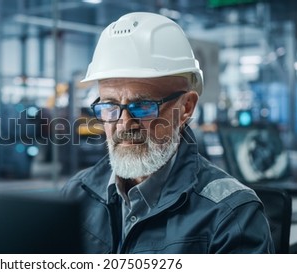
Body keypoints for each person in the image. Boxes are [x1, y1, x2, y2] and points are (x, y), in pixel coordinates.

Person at [61, 12, 274, 254]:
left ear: (186, 108)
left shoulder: (231, 216)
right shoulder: (76, 193)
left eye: (142, 106)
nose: (123, 124)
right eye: (109, 106)